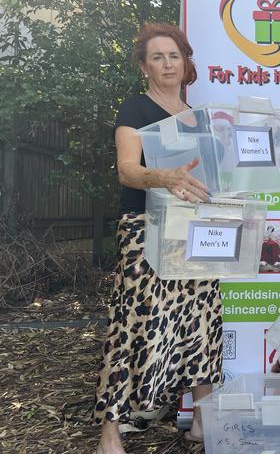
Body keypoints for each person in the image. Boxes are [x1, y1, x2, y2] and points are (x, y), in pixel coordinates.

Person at [94, 23, 222, 454]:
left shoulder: (196, 115)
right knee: (132, 326)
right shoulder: (135, 108)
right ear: (144, 66)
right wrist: (161, 177)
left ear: (186, 62)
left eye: (174, 56)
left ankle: (203, 422)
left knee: (202, 321)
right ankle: (110, 433)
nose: (168, 64)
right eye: (157, 57)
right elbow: (127, 170)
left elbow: (208, 178)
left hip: (194, 231)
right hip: (145, 230)